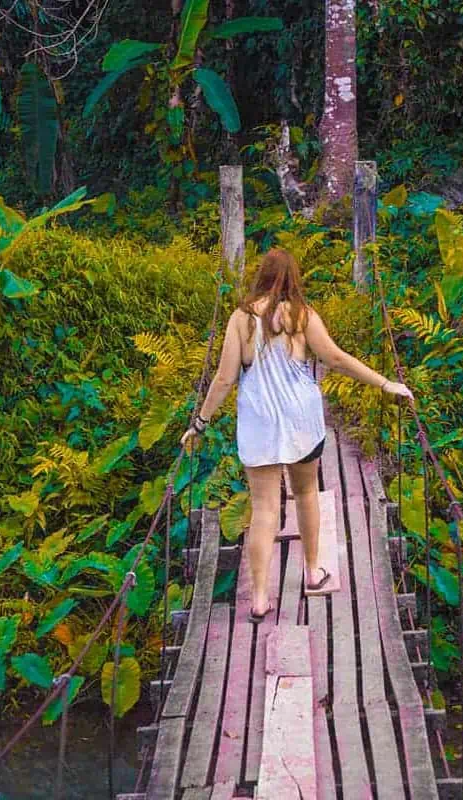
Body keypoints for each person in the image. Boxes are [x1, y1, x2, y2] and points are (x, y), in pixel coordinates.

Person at [181, 248, 413, 623]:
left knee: (264, 509)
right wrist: (385, 383)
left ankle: (258, 598)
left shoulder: (240, 319)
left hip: (259, 420)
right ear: (293, 278)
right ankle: (312, 570)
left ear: (261, 275)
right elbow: (335, 359)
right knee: (306, 493)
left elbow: (224, 379)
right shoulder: (303, 315)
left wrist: (200, 423)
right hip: (301, 419)